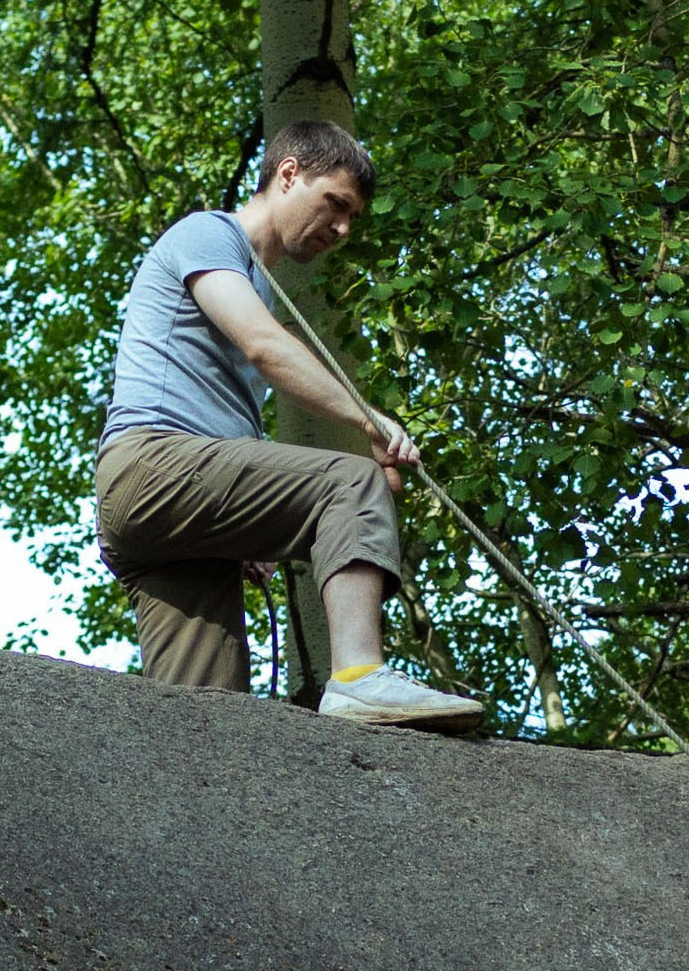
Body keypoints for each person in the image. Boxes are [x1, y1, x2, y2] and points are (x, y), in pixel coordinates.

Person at [94, 124, 486, 729]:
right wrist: (368, 421)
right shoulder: (208, 234)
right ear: (288, 174)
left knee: (206, 718)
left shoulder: (259, 283)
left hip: (162, 521)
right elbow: (263, 348)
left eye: (352, 217)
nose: (343, 229)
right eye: (335, 204)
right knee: (351, 483)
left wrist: (250, 528)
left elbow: (221, 404)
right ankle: (359, 678)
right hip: (150, 467)